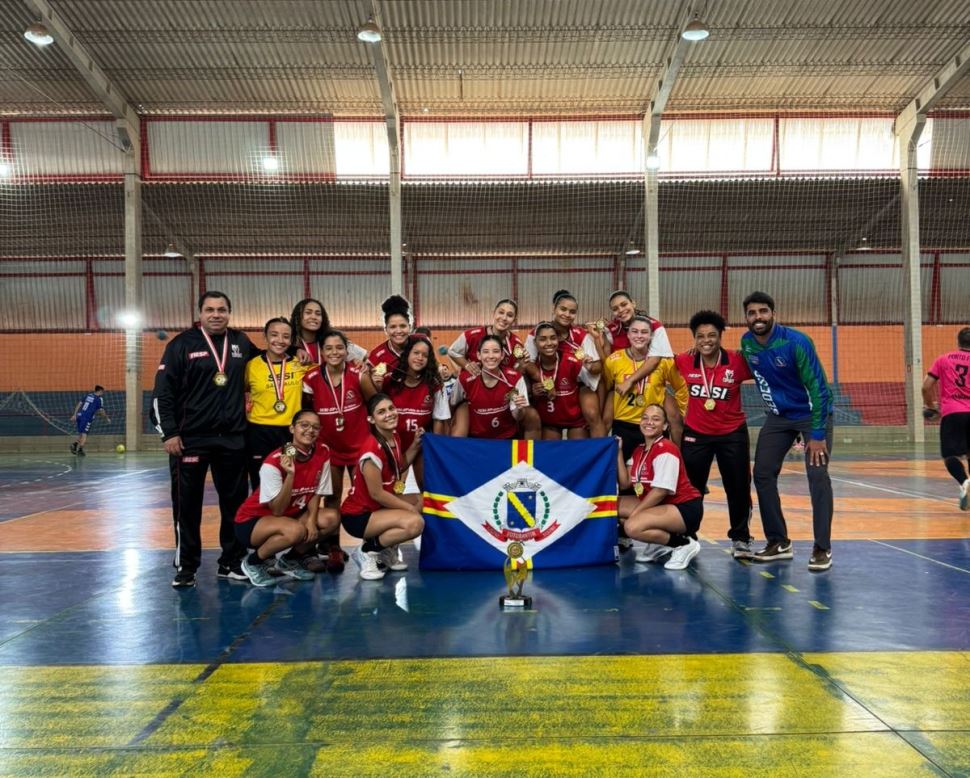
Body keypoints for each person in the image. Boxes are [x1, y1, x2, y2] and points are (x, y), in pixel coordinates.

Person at [152, 291, 258, 588]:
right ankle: (187, 566)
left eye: (222, 310)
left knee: (235, 505)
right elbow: (162, 393)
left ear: (229, 313)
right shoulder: (181, 345)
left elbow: (267, 363)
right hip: (190, 440)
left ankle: (232, 562)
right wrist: (169, 432)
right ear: (200, 313)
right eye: (210, 309)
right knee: (187, 506)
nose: (216, 314)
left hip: (232, 439)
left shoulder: (241, 342)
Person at [740, 291, 834, 571]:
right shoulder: (747, 344)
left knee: (817, 475)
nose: (758, 317)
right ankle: (778, 542)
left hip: (811, 415)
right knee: (762, 473)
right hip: (779, 417)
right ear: (746, 317)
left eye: (763, 311)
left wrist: (817, 435)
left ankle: (822, 547)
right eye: (752, 313)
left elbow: (818, 389)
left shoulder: (796, 342)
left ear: (773, 314)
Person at [674, 311, 755, 558]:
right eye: (700, 336)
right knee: (691, 488)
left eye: (711, 335)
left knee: (738, 487)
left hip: (732, 433)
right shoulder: (684, 361)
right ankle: (688, 535)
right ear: (694, 339)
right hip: (696, 433)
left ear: (720, 337)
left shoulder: (737, 361)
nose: (706, 340)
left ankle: (740, 538)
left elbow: (766, 368)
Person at [234, 411, 341, 587]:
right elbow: (277, 510)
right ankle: (252, 562)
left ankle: (290, 560)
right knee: (296, 531)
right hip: (253, 521)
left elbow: (316, 491)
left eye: (315, 427)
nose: (310, 430)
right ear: (292, 428)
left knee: (331, 518)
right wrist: (290, 475)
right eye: (304, 425)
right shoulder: (274, 462)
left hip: (289, 518)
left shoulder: (322, 451)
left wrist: (312, 521)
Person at [302, 329, 369, 572]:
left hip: (360, 446)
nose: (334, 352)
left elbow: (373, 401)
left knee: (365, 497)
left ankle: (370, 548)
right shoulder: (310, 379)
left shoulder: (358, 373)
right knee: (332, 497)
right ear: (321, 352)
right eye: (328, 348)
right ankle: (333, 548)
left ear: (347, 349)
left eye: (339, 347)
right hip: (329, 449)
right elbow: (307, 412)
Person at [340, 394, 425, 580]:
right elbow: (377, 494)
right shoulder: (371, 451)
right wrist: (409, 509)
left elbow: (399, 465)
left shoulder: (393, 436)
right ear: (371, 419)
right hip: (358, 516)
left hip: (377, 509)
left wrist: (416, 444)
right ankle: (367, 550)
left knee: (423, 500)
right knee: (414, 522)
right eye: (381, 412)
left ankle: (385, 552)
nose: (389, 414)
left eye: (391, 408)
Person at [616, 404, 704, 570]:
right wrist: (618, 453)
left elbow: (659, 491)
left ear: (664, 426)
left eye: (655, 419)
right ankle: (659, 544)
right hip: (663, 505)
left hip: (684, 507)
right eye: (645, 418)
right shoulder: (639, 450)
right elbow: (625, 483)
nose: (649, 422)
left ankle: (683, 543)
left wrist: (636, 513)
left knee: (631, 526)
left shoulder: (666, 449)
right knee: (613, 506)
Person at [603, 315, 687, 461]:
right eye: (635, 332)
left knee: (656, 477)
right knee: (625, 480)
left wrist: (682, 412)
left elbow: (681, 387)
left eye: (644, 332)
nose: (639, 336)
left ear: (651, 336)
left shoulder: (664, 361)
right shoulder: (614, 360)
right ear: (628, 334)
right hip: (624, 425)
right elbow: (607, 388)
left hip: (654, 426)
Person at [524, 290, 605, 436]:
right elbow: (527, 364)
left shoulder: (581, 336)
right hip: (547, 384)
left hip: (576, 385)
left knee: (592, 413)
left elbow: (598, 367)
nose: (567, 314)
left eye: (572, 312)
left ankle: (603, 454)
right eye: (563, 309)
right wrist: (545, 383)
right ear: (553, 309)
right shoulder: (538, 333)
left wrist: (590, 365)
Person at [244, 317, 308, 490]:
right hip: (259, 432)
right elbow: (242, 389)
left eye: (286, 336)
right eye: (274, 335)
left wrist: (358, 362)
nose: (280, 340)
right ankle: (262, 517)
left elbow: (330, 369)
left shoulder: (301, 364)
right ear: (264, 337)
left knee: (291, 480)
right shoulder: (251, 366)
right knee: (261, 484)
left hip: (290, 433)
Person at [379, 334, 451, 485]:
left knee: (427, 488)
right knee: (391, 492)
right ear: (407, 354)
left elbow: (439, 419)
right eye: (416, 353)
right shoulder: (390, 379)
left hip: (420, 445)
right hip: (393, 445)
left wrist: (435, 451)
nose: (420, 358)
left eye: (424, 355)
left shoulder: (434, 384)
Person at [450, 335, 539, 439]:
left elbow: (518, 417)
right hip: (476, 439)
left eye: (496, 351)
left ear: (502, 355)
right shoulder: (465, 379)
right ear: (479, 355)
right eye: (486, 351)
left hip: (506, 438)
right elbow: (453, 405)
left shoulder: (514, 378)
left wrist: (519, 409)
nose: (491, 356)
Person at [922, 326, 970, 511]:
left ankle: (964, 481)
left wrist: (931, 407)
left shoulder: (944, 359)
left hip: (953, 412)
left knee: (950, 455)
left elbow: (926, 387)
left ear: (958, 342)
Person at [530, 321, 595, 439]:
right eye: (543, 339)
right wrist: (533, 394)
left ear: (558, 340)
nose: (549, 343)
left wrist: (592, 415)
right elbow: (526, 401)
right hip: (550, 422)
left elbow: (593, 384)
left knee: (577, 454)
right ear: (535, 342)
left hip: (575, 421)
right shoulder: (531, 366)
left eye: (553, 338)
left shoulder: (572, 360)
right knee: (552, 454)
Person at [289, 297, 368, 367]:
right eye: (308, 312)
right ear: (298, 316)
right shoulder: (289, 343)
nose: (313, 317)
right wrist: (295, 350)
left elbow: (370, 359)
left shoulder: (333, 340)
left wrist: (362, 365)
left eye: (318, 314)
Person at [367, 295, 413, 391]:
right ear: (386, 330)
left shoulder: (420, 347)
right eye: (392, 327)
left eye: (403, 326)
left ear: (410, 327)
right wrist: (375, 385)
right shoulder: (377, 356)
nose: (398, 331)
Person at [70, 385, 109, 456]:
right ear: (100, 391)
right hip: (87, 418)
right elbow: (101, 411)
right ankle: (80, 450)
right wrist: (106, 418)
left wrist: (75, 415)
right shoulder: (99, 399)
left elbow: (79, 404)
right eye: (102, 392)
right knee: (84, 434)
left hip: (80, 415)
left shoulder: (88, 395)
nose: (103, 393)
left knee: (81, 433)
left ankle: (75, 445)